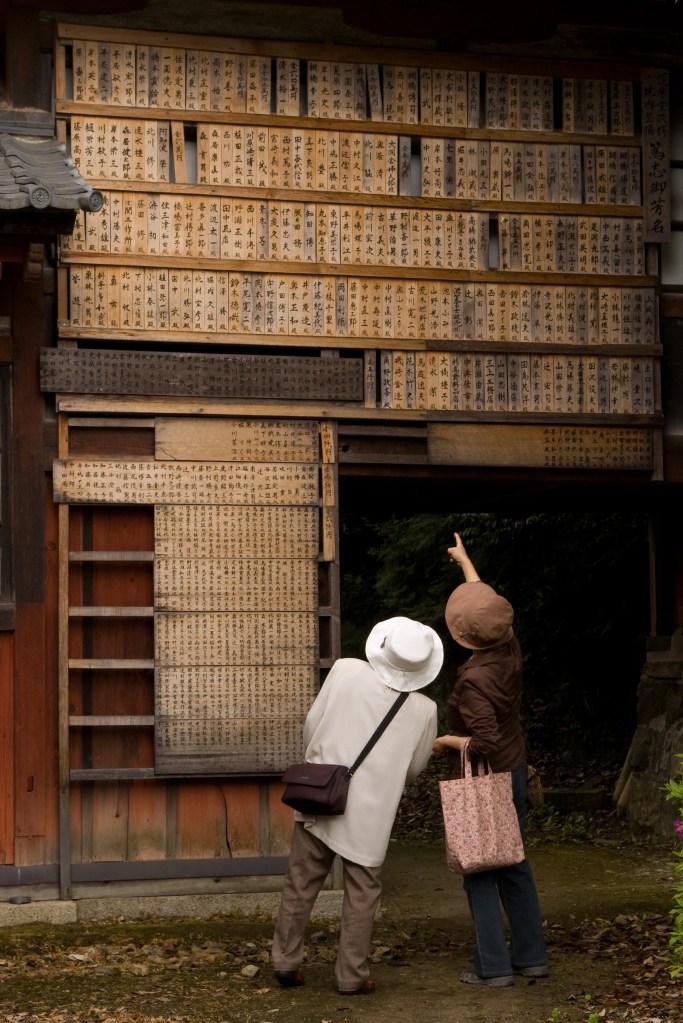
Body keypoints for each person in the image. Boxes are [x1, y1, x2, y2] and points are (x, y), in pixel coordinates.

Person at [272, 616, 442, 995]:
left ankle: (285, 960)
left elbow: (312, 723)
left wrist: (321, 761)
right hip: (371, 814)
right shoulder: (425, 709)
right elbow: (413, 770)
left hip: (321, 793)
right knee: (362, 895)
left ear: (383, 646)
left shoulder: (346, 670)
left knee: (300, 881)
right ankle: (351, 975)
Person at [432, 532, 548, 988]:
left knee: (479, 869)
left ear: (461, 638)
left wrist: (445, 741)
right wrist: (466, 564)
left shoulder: (474, 681)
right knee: (514, 863)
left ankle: (494, 967)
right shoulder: (508, 648)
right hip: (514, 771)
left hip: (485, 778)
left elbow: (482, 741)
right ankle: (532, 958)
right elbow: (488, 614)